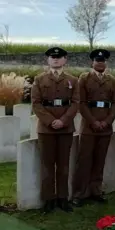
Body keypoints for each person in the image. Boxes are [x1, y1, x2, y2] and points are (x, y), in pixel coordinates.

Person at [31, 46, 80, 213]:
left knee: (64, 165)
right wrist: (51, 121)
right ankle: (49, 199)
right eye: (52, 57)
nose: (56, 59)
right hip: (46, 128)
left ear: (65, 60)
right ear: (48, 60)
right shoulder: (39, 79)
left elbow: (75, 103)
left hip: (65, 128)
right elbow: (36, 103)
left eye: (59, 57)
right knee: (47, 165)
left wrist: (64, 120)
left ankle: (62, 198)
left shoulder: (73, 80)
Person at [71, 49, 115, 207]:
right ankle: (80, 193)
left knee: (100, 160)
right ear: (92, 62)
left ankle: (96, 190)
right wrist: (93, 121)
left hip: (105, 126)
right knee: (84, 160)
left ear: (106, 63)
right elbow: (81, 102)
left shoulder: (112, 80)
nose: (100, 63)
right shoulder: (84, 78)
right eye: (97, 60)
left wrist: (107, 121)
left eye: (103, 60)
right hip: (89, 126)